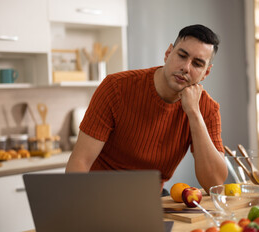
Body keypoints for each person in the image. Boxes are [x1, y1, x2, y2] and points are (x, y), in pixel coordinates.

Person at [66, 24, 228, 193]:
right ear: (168, 54)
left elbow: (214, 183)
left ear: (206, 73)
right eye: (182, 55)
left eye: (197, 64)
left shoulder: (207, 109)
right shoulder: (115, 88)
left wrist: (194, 114)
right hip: (99, 195)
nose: (186, 67)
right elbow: (80, 162)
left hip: (151, 201)